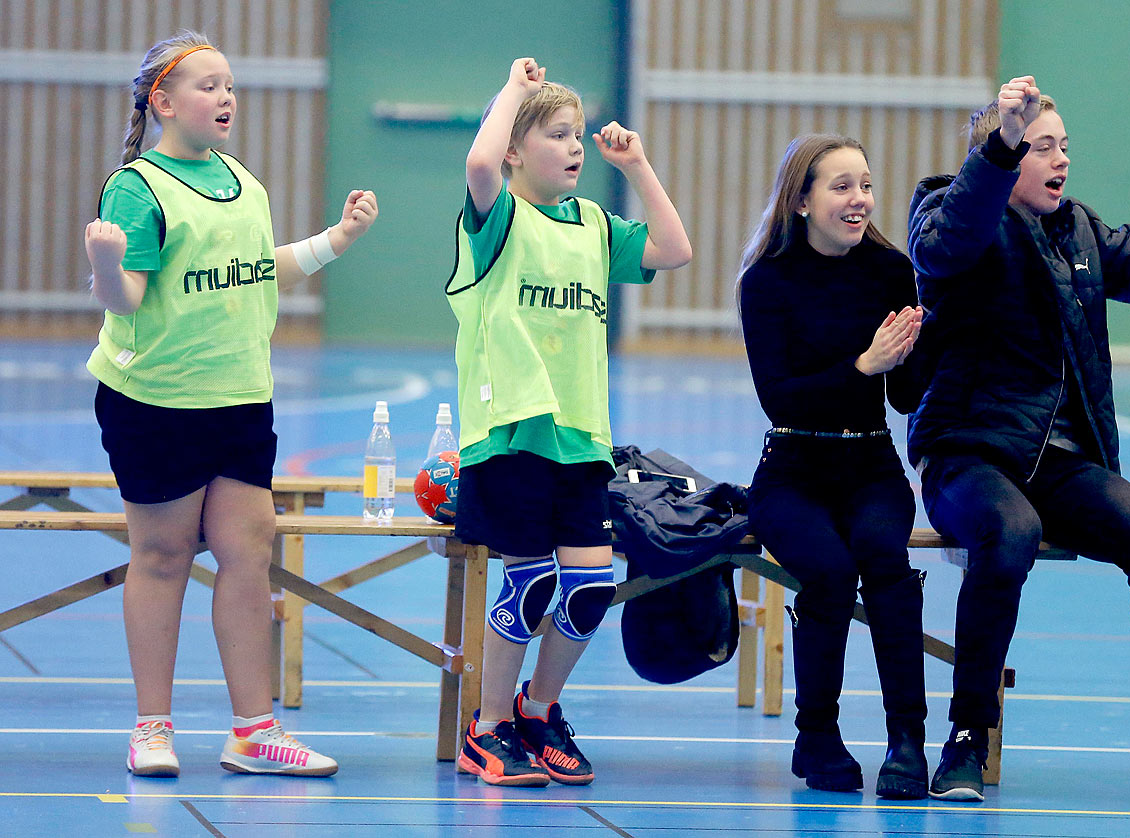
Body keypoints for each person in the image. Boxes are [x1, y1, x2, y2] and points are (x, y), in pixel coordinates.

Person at [906, 76, 1130, 806]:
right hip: (966, 453)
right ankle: (966, 738)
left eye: (1064, 145)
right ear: (1003, 153)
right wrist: (1002, 145)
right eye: (1041, 147)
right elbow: (946, 249)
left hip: (1062, 461)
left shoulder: (1083, 231)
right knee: (1011, 533)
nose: (1060, 159)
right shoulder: (947, 209)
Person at [84, 30, 378, 778]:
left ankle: (253, 731)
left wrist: (335, 242)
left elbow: (254, 269)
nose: (226, 98)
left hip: (241, 397)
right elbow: (128, 299)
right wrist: (105, 265)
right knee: (162, 555)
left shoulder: (242, 180)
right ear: (164, 101)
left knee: (249, 556)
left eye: (229, 85)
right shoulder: (138, 188)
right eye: (209, 86)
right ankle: (152, 727)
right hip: (156, 401)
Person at [448, 57, 691, 788]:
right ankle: (486, 728)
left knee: (586, 588)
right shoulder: (497, 219)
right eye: (558, 134)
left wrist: (640, 166)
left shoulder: (592, 224)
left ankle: (539, 710)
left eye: (579, 133)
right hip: (511, 434)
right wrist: (516, 93)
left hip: (582, 437)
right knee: (526, 585)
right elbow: (478, 160)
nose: (576, 146)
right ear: (519, 151)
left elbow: (673, 250)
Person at [738, 134, 928, 799]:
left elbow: (903, 395)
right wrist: (862, 365)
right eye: (842, 186)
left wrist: (918, 353)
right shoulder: (765, 281)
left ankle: (909, 739)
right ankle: (816, 732)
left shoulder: (890, 270)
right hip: (792, 466)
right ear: (803, 200)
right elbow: (779, 396)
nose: (859, 200)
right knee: (827, 569)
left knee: (885, 560)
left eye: (866, 186)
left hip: (871, 463)